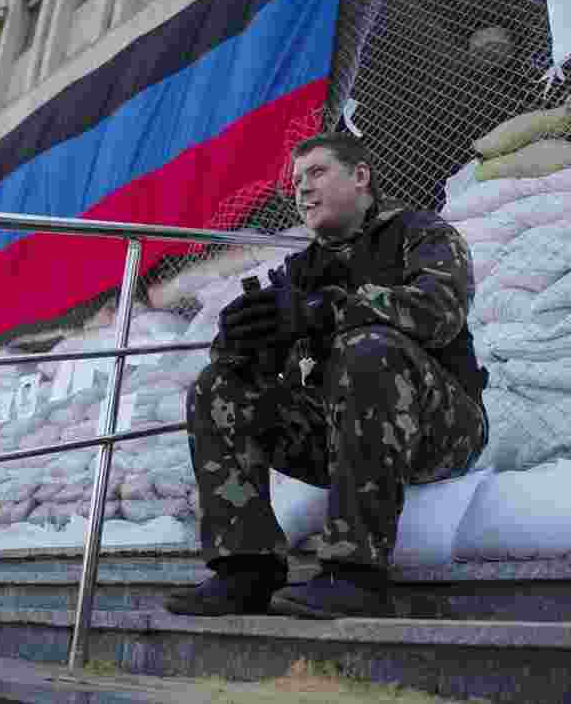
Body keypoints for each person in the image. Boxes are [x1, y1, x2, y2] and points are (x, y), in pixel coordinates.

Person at [165, 133, 489, 619]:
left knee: (367, 349)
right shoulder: (300, 271)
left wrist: (327, 311)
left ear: (360, 177)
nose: (302, 188)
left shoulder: (420, 234)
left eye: (317, 172)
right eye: (296, 180)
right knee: (216, 386)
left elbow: (439, 311)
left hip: (440, 430)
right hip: (343, 435)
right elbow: (267, 373)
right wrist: (239, 343)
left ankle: (355, 575)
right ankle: (246, 570)